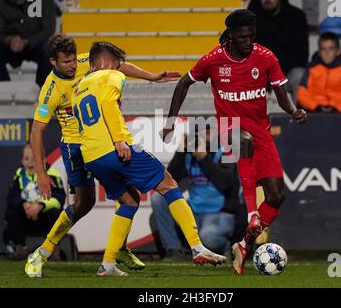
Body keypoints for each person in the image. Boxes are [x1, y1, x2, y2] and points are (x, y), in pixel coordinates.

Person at [162, 9, 307, 275]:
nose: (248, 42)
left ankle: (244, 245)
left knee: (277, 196)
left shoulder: (265, 57)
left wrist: (293, 111)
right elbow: (183, 83)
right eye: (242, 37)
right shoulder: (214, 60)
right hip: (229, 128)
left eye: (251, 36)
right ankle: (252, 213)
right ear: (230, 36)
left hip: (261, 130)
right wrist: (171, 121)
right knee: (243, 139)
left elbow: (281, 94)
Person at [24, 34, 182, 277]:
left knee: (131, 197)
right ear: (52, 62)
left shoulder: (86, 61)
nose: (73, 66)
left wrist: (151, 76)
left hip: (102, 142)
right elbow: (36, 131)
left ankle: (118, 250)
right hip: (75, 147)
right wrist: (42, 173)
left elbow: (119, 64)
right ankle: (42, 252)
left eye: (74, 60)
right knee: (84, 204)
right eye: (66, 62)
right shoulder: (50, 91)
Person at [71, 41, 226, 276]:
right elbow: (108, 104)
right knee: (168, 183)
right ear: (109, 62)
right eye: (118, 63)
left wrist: (151, 77)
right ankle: (197, 247)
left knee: (130, 200)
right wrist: (120, 140)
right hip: (114, 148)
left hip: (92, 156)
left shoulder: (79, 87)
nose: (121, 68)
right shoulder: (111, 75)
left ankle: (108, 264)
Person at [152, 128, 242, 260]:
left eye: (209, 130)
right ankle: (174, 249)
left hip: (218, 214)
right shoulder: (190, 155)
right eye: (202, 131)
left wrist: (204, 158)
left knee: (207, 238)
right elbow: (168, 180)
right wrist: (180, 151)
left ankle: (226, 247)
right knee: (159, 199)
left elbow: (227, 184)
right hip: (194, 211)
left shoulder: (225, 152)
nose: (205, 134)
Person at [3, 144, 65, 260]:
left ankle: (54, 249)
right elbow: (11, 197)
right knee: (10, 212)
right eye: (26, 159)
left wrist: (41, 206)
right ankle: (20, 247)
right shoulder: (19, 175)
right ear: (22, 160)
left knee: (56, 213)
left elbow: (59, 198)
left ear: (43, 160)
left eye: (34, 159)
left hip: (44, 219)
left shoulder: (52, 174)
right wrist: (23, 204)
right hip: (26, 218)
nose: (30, 162)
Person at [0, 0, 55, 88]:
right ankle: (5, 91)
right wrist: (9, 40)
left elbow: (48, 29)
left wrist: (27, 42)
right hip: (6, 42)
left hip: (33, 42)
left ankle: (42, 94)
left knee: (48, 50)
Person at [248, 0, 309, 100]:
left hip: (286, 73)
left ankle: (301, 117)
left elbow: (301, 55)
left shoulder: (296, 17)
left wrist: (276, 73)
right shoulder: (251, 18)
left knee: (300, 75)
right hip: (259, 75)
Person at [297, 32, 341, 113]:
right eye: (323, 49)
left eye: (331, 48)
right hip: (314, 110)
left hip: (338, 112)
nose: (327, 53)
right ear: (319, 52)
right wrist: (316, 107)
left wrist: (338, 109)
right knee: (300, 109)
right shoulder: (312, 68)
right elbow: (302, 93)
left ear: (338, 51)